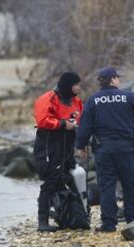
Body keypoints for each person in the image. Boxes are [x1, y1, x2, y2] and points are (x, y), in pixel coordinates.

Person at [76, 66, 134, 232]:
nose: (119, 80)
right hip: (125, 148)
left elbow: (84, 126)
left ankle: (109, 224)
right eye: (118, 78)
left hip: (104, 150)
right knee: (129, 183)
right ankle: (133, 220)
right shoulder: (127, 96)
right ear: (114, 80)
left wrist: (80, 146)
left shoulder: (93, 100)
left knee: (106, 185)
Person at [33, 72, 83, 232]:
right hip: (49, 147)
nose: (79, 87)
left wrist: (82, 138)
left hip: (66, 147)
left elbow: (81, 119)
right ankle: (42, 222)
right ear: (69, 85)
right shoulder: (47, 99)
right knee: (51, 182)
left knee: (69, 178)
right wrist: (63, 124)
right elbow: (42, 121)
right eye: (77, 84)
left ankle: (75, 216)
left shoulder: (76, 101)